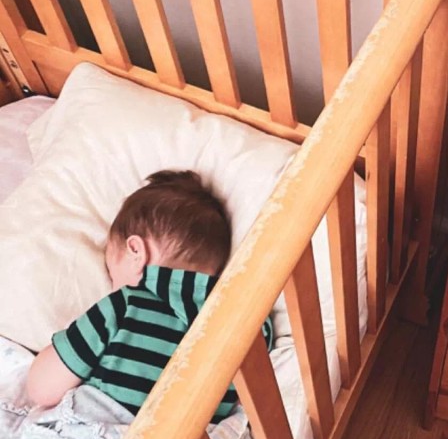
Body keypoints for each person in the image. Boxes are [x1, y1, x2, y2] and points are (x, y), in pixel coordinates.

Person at [26, 170, 273, 421]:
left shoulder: (125, 305)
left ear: (135, 251)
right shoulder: (241, 326)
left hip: (100, 434)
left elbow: (42, 389)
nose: (112, 283)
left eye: (111, 271)